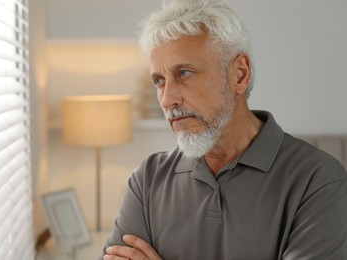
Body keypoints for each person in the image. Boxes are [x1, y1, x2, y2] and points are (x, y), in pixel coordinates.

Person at [102, 0, 347, 259]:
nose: (166, 99)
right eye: (159, 81)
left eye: (184, 73)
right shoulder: (147, 180)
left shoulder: (319, 181)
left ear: (239, 75)